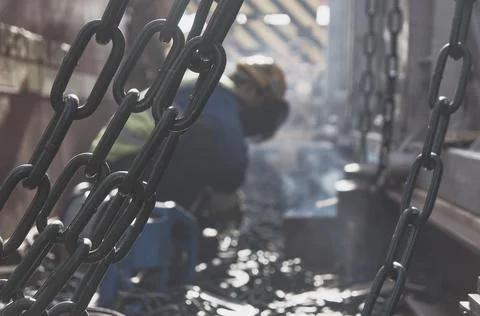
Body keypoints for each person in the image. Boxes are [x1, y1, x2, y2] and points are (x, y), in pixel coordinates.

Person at [90, 55, 290, 225]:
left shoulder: (209, 86)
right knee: (203, 142)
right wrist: (227, 193)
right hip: (122, 166)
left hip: (124, 161)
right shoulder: (217, 94)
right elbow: (232, 160)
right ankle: (174, 231)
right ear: (250, 89)